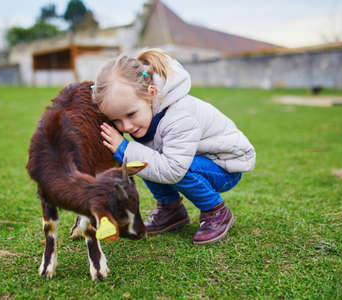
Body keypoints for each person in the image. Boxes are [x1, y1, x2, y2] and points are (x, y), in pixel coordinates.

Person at [92, 49, 256, 245]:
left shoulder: (179, 116)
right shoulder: (145, 112)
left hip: (225, 166)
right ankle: (171, 210)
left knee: (159, 163)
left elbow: (174, 169)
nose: (126, 127)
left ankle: (216, 212)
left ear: (151, 94)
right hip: (192, 159)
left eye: (131, 115)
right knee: (145, 160)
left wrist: (125, 149)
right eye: (115, 120)